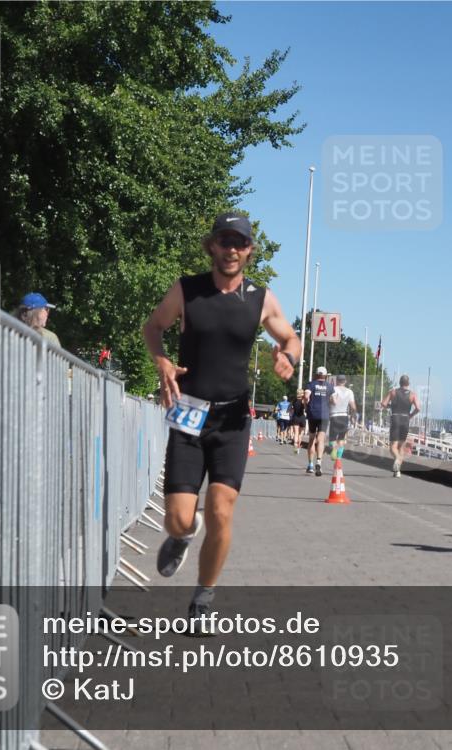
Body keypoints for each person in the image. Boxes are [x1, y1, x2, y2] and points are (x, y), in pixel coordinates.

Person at [142, 211, 300, 631]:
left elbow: (291, 337)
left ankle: (202, 598)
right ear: (211, 245)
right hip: (189, 411)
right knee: (178, 516)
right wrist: (162, 363)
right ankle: (181, 536)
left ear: (249, 251)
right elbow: (153, 327)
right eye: (224, 241)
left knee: (221, 510)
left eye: (240, 243)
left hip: (233, 417)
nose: (232, 249)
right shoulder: (187, 290)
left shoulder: (260, 298)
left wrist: (287, 356)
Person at [381, 375, 420, 478]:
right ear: (408, 383)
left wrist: (391, 406)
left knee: (393, 447)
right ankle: (397, 471)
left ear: (399, 382)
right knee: (401, 446)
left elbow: (383, 404)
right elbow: (418, 408)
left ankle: (397, 459)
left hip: (395, 418)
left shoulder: (393, 392)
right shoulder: (413, 395)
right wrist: (410, 415)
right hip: (405, 419)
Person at [305, 366, 334, 476]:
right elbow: (334, 400)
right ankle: (319, 462)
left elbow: (306, 396)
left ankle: (310, 465)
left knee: (312, 439)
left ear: (316, 375)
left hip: (313, 413)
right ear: (326, 376)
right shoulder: (330, 386)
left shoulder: (311, 384)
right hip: (324, 415)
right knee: (321, 440)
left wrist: (306, 402)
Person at [328, 375, 356, 460]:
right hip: (344, 417)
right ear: (345, 381)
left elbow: (330, 402)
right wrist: (353, 416)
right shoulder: (349, 392)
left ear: (336, 381)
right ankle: (338, 459)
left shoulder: (333, 389)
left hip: (334, 416)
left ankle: (334, 449)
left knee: (332, 440)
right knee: (341, 439)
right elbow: (353, 407)